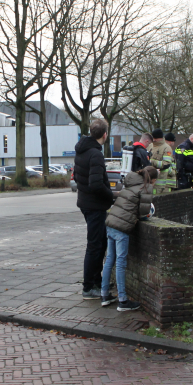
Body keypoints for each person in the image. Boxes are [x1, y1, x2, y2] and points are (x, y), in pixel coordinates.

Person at [101, 166, 157, 312]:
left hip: (111, 223)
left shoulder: (130, 184)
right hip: (121, 228)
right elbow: (144, 213)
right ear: (153, 180)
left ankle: (104, 295)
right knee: (120, 262)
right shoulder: (145, 188)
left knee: (109, 260)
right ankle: (123, 301)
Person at [74, 119, 115, 300]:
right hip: (95, 206)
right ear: (104, 135)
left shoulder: (82, 151)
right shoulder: (95, 154)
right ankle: (89, 287)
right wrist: (112, 195)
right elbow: (96, 184)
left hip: (86, 203)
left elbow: (79, 178)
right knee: (95, 246)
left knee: (99, 244)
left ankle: (97, 282)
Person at [148, 129, 175, 194]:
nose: (153, 140)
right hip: (148, 181)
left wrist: (151, 161)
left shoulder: (166, 148)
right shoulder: (150, 146)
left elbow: (166, 164)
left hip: (159, 184)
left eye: (155, 138)